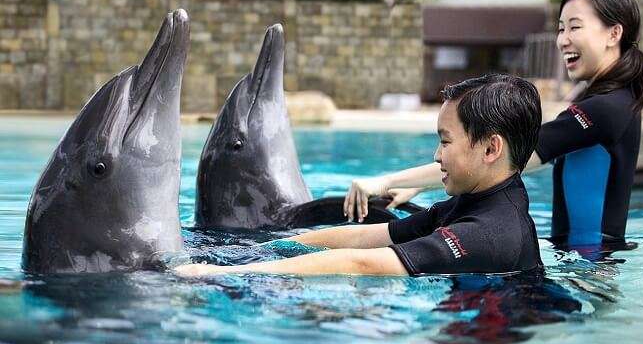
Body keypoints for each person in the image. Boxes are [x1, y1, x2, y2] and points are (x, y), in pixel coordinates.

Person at [345, 0, 643, 249]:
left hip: (590, 267)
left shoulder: (605, 108)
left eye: (575, 27)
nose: (563, 39)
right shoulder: (615, 99)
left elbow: (509, 156)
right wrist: (423, 182)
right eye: (561, 28)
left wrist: (385, 181)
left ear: (614, 33)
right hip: (586, 257)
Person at [175, 74, 543, 277]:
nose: (436, 155)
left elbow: (362, 262)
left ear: (491, 149)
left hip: (491, 334)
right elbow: (371, 235)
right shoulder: (475, 202)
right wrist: (265, 251)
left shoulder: (488, 232)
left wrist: (230, 275)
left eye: (445, 141)